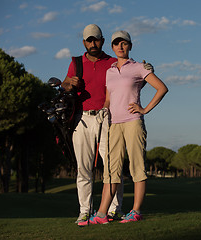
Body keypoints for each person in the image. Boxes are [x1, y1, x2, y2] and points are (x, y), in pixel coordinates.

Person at [61, 24, 153, 224]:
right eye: (89, 40)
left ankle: (114, 210)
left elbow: (133, 81)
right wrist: (69, 84)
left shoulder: (113, 62)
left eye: (96, 39)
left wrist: (147, 71)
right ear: (84, 42)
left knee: (113, 167)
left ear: (102, 41)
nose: (93, 43)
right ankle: (85, 211)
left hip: (108, 119)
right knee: (83, 169)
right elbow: (65, 84)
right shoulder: (76, 62)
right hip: (82, 118)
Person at [78, 30, 168, 226]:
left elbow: (162, 88)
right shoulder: (110, 71)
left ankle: (136, 211)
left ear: (130, 46)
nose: (120, 46)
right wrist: (104, 112)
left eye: (124, 43)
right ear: (111, 47)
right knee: (111, 171)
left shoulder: (138, 67)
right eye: (117, 43)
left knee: (137, 167)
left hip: (133, 122)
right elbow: (109, 98)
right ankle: (102, 213)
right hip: (113, 125)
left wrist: (144, 109)